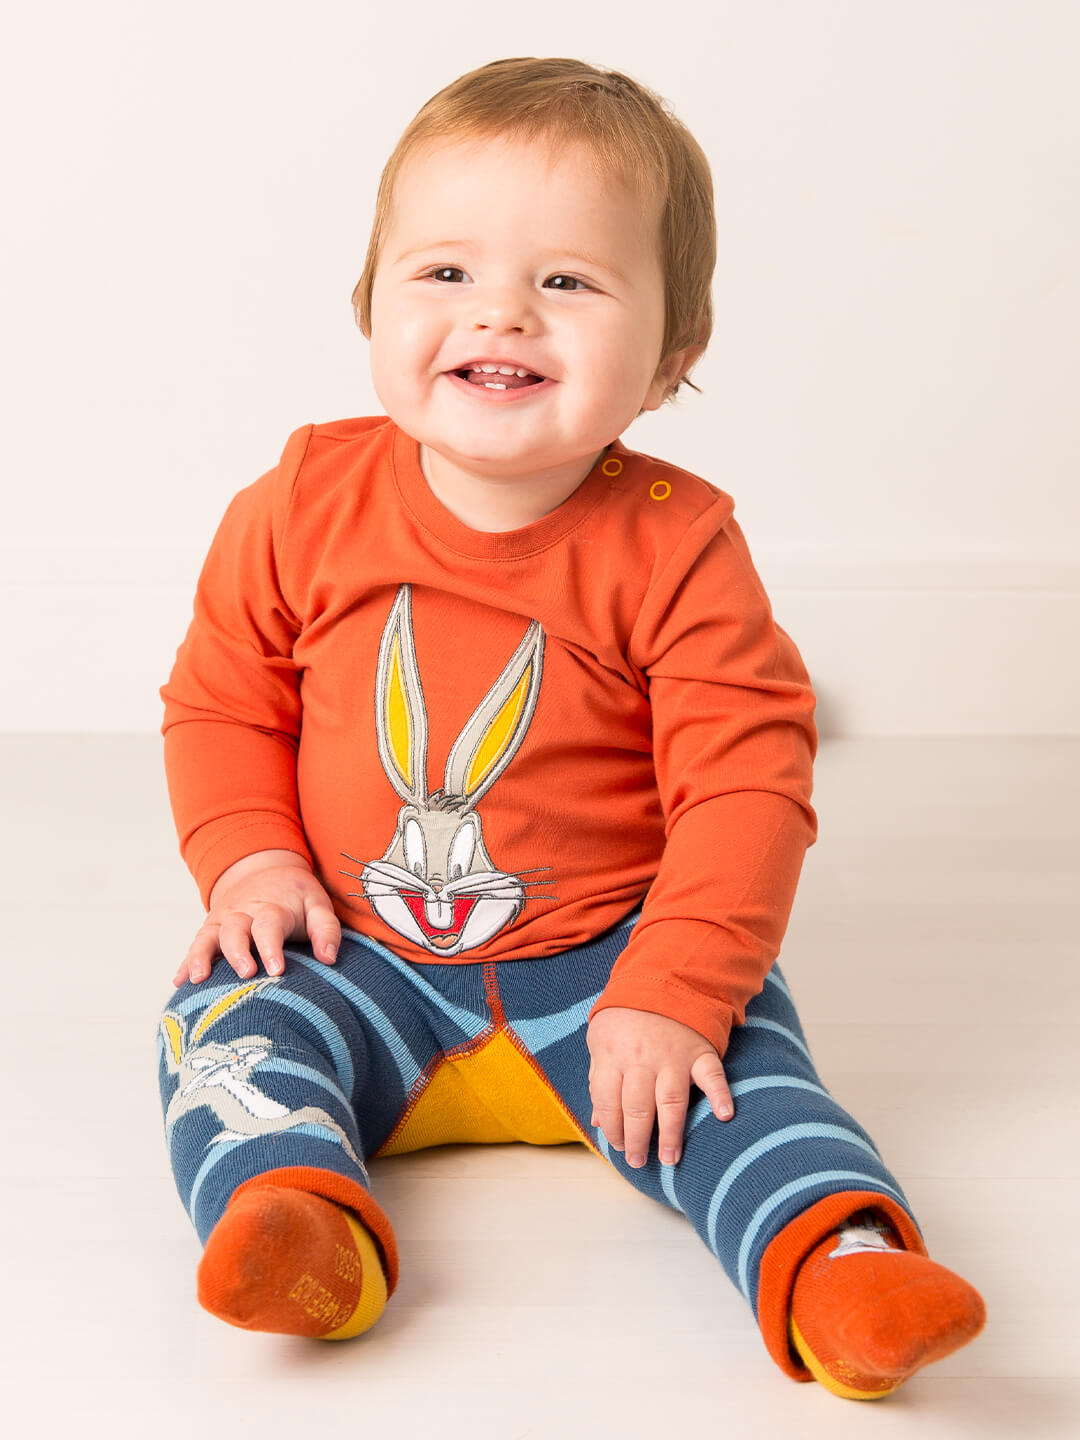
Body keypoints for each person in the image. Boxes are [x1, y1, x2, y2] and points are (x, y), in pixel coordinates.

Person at [155, 56, 985, 1399]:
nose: (502, 313)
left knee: (748, 1083)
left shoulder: (679, 548)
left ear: (671, 357)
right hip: (358, 950)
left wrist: (678, 988)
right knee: (226, 1033)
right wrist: (250, 857)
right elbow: (223, 697)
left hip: (616, 968)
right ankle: (300, 1222)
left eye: (568, 281)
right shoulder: (301, 503)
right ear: (370, 303)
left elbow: (746, 790)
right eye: (446, 272)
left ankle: (837, 1265)